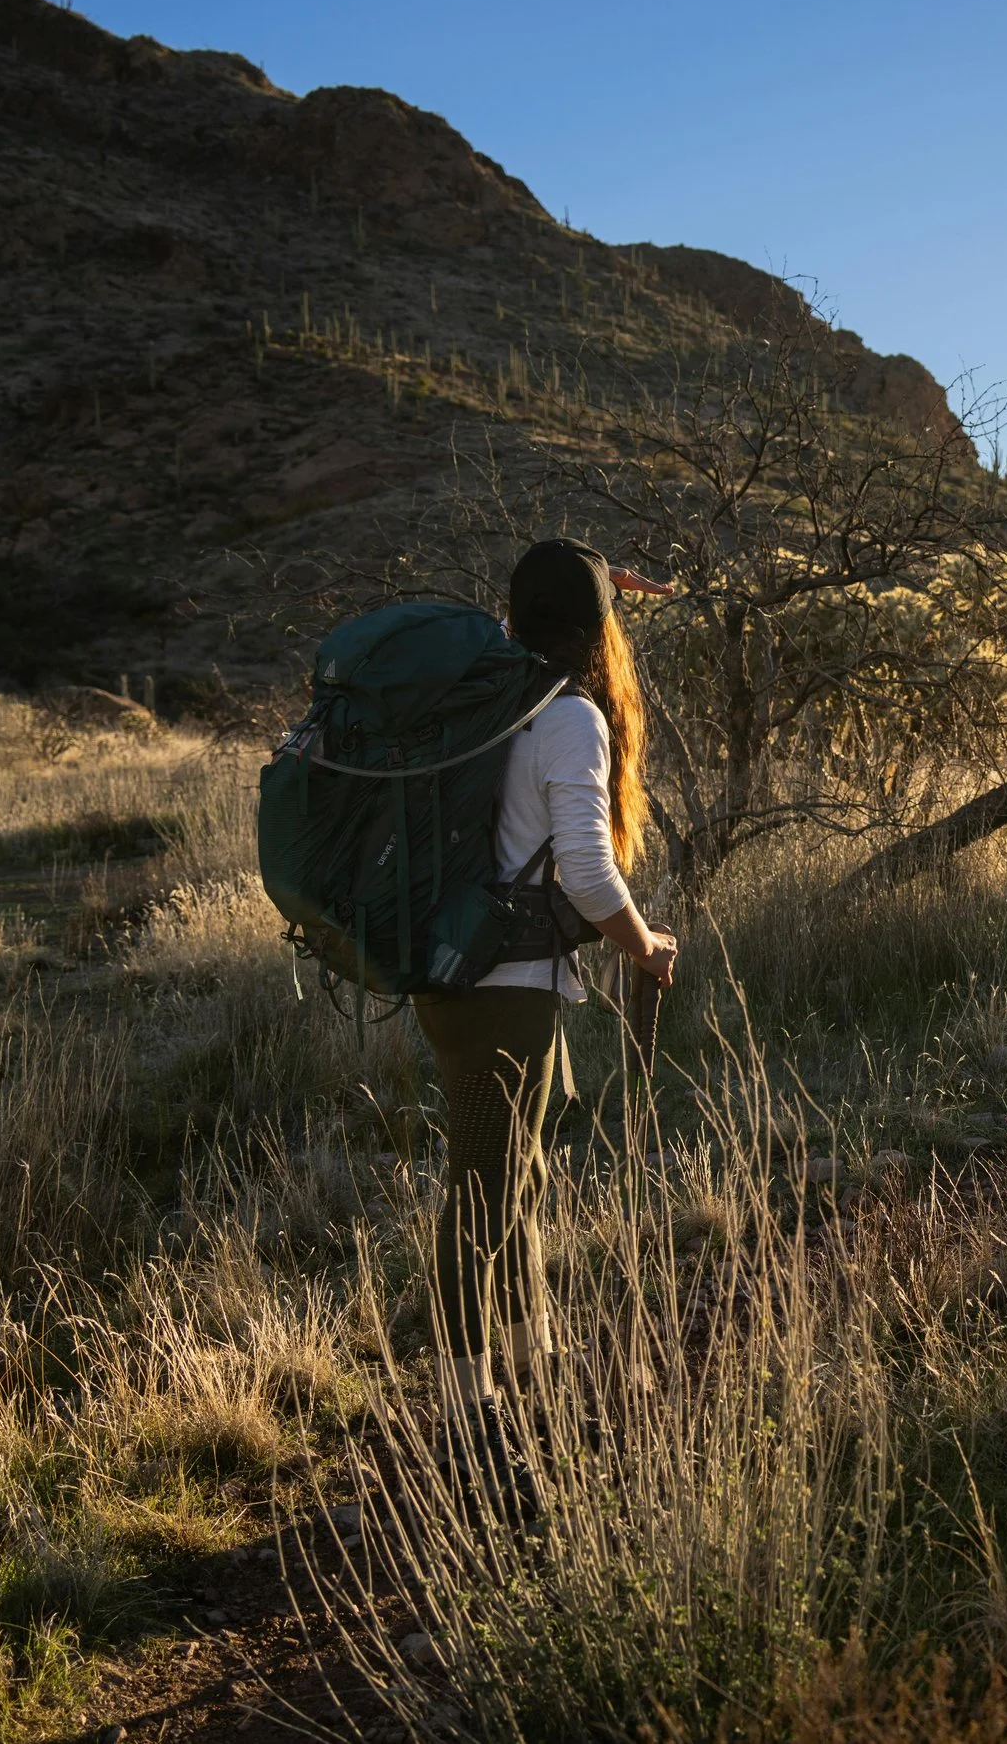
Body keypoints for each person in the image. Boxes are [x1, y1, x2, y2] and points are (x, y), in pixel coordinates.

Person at [413, 538, 677, 1404]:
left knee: (515, 1172)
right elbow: (592, 872)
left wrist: (600, 578)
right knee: (484, 1190)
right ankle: (465, 1404)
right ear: (592, 632)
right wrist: (644, 946)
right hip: (506, 986)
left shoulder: (497, 688)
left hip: (465, 970)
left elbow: (541, 584)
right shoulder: (569, 717)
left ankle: (536, 1351)